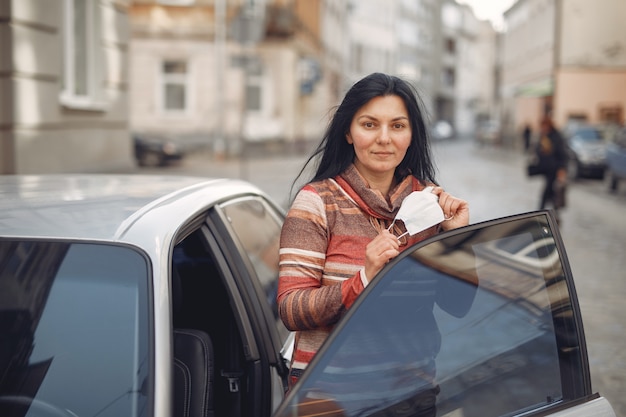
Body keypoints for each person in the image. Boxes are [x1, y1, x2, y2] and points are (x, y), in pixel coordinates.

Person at [277, 73, 470, 391]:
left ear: (411, 134)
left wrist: (457, 240)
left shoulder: (428, 205)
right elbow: (291, 310)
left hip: (410, 395)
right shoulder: (317, 203)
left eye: (397, 126)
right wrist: (363, 279)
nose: (385, 138)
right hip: (331, 397)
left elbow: (458, 305)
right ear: (349, 133)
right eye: (369, 124)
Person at [535, 116, 568, 215]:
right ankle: (554, 210)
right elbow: (537, 150)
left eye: (545, 126)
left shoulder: (556, 137)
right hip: (546, 169)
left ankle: (542, 211)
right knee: (551, 191)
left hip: (555, 168)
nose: (543, 128)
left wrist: (562, 169)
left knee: (548, 190)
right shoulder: (543, 136)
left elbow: (562, 153)